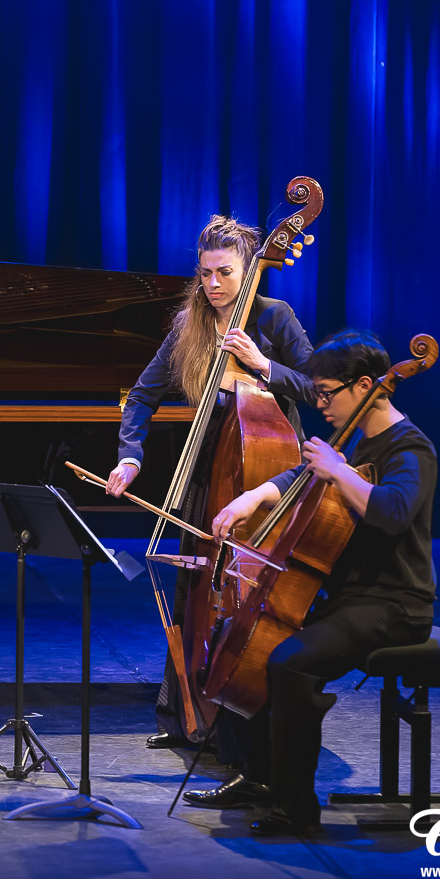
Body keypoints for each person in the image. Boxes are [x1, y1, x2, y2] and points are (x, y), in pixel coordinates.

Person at [197, 330, 436, 835]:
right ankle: (259, 776)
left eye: (327, 392)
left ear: (367, 385)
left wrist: (338, 472)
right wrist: (255, 496)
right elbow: (299, 476)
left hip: (393, 603)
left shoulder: (411, 447)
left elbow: (391, 512)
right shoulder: (354, 439)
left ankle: (295, 808)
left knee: (290, 664)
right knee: (242, 641)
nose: (320, 403)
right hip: (347, 596)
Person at [105, 215, 315, 750]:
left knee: (247, 597)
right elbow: (143, 395)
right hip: (206, 471)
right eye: (205, 273)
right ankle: (183, 715)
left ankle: (246, 724)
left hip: (266, 477)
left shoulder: (275, 317)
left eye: (225, 272)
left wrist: (263, 364)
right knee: (194, 590)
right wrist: (130, 458)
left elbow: (317, 390)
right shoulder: (189, 326)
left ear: (250, 271)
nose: (214, 284)